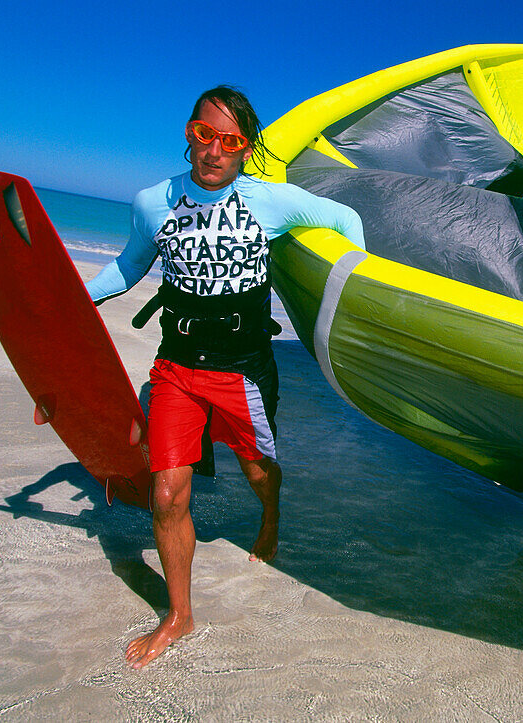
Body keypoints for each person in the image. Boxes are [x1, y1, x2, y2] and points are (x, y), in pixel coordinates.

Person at [86, 86, 365, 669]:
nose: (214, 150)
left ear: (246, 149)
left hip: (242, 370)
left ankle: (270, 517)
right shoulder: (152, 202)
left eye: (230, 141)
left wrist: (355, 301)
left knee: (258, 472)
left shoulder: (271, 202)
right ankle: (179, 615)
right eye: (202, 134)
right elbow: (128, 266)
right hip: (177, 367)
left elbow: (345, 218)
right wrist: (73, 299)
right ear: (189, 134)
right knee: (166, 492)